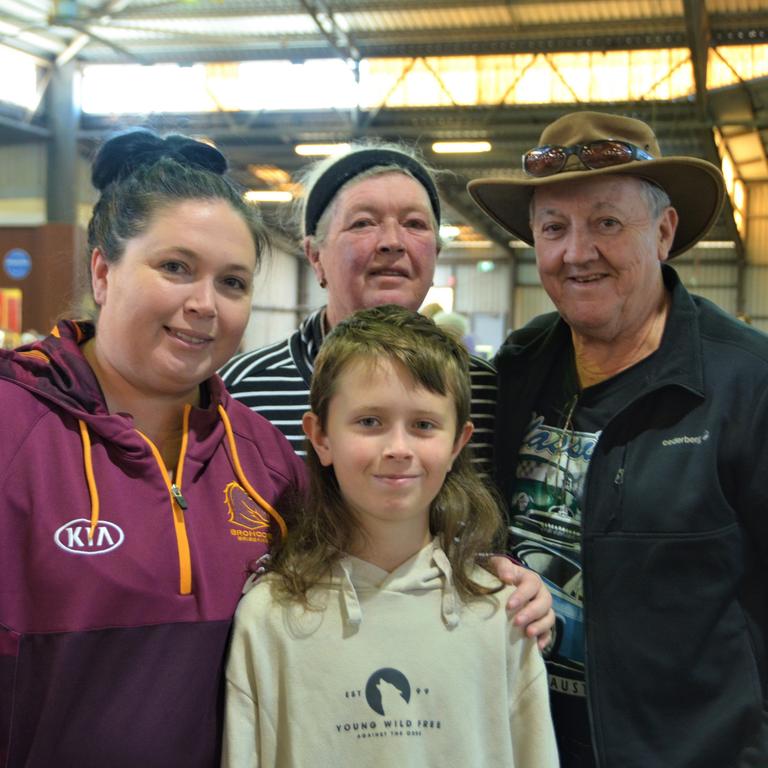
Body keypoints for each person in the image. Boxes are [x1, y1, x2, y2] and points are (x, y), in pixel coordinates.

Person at [468, 110, 768, 767]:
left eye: (607, 222)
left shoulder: (747, 383)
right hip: (529, 743)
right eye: (554, 228)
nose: (577, 252)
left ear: (663, 232)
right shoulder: (517, 369)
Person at [0, 130, 305, 767]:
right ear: (104, 272)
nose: (203, 305)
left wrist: (488, 577)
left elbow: (370, 569)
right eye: (175, 268)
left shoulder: (265, 460)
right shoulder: (13, 426)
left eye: (232, 282)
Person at [219, 142, 555, 647]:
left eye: (415, 225)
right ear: (315, 256)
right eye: (363, 223)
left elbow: (500, 537)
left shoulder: (485, 390)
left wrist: (522, 580)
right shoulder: (240, 393)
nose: (392, 242)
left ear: (435, 255)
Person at [221, 305, 559, 768]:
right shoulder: (269, 618)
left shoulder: (502, 612)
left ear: (459, 443)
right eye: (369, 422)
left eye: (423, 425)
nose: (398, 449)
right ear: (320, 437)